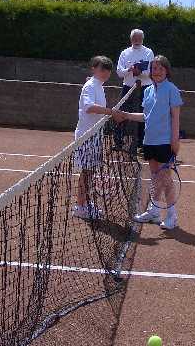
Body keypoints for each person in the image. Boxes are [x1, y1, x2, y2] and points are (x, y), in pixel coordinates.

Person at [117, 55, 183, 230]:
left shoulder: (172, 90)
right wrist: (127, 115)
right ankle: (154, 211)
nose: (157, 71)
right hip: (149, 140)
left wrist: (175, 141)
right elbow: (146, 117)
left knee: (165, 179)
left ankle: (171, 215)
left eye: (160, 68)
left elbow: (176, 118)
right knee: (155, 177)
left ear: (166, 71)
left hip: (165, 141)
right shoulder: (147, 91)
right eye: (154, 68)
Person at [73, 56, 119, 220]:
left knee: (90, 172)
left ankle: (84, 203)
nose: (106, 72)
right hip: (87, 136)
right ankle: (80, 206)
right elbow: (89, 107)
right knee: (86, 172)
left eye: (108, 69)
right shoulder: (91, 86)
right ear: (94, 68)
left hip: (95, 136)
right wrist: (111, 112)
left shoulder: (98, 86)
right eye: (102, 68)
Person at [114, 29, 154, 156]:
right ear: (131, 39)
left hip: (145, 88)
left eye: (139, 38)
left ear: (142, 39)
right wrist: (129, 70)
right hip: (128, 88)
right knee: (120, 113)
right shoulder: (125, 53)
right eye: (134, 38)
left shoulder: (148, 52)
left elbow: (151, 73)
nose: (136, 41)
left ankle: (142, 144)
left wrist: (140, 72)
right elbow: (120, 72)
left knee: (145, 115)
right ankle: (118, 142)